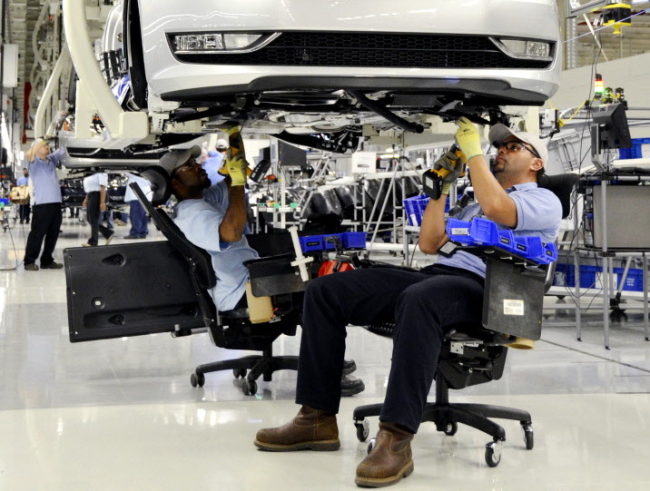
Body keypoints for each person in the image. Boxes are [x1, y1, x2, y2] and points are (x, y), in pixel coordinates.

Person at [254, 118, 563, 488]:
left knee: (421, 298)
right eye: (499, 146)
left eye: (513, 147)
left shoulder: (543, 200)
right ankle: (316, 418)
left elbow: (500, 210)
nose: (501, 151)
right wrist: (441, 189)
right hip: (437, 275)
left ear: (536, 163)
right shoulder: (474, 201)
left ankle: (396, 437)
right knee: (327, 291)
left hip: (488, 288)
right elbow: (431, 243)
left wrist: (475, 153)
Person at [169, 129, 363, 393]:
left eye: (195, 162)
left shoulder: (201, 201)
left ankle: (327, 362)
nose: (198, 166)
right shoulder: (192, 215)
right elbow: (231, 231)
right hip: (242, 292)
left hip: (248, 282)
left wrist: (235, 139)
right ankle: (325, 374)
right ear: (175, 184)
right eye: (188, 167)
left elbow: (232, 182)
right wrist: (236, 180)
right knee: (322, 293)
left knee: (318, 282)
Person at [23, 138, 66, 270]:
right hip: (42, 205)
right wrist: (42, 139)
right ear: (36, 148)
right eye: (43, 145)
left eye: (47, 145)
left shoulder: (51, 160)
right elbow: (29, 154)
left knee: (53, 234)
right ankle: (29, 261)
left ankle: (47, 260)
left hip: (56, 203)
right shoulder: (34, 163)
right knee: (37, 233)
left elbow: (63, 149)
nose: (47, 146)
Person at [81, 171, 114, 247]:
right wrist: (86, 198)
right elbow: (89, 188)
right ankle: (108, 233)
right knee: (89, 219)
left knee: (94, 219)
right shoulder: (89, 173)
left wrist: (102, 202)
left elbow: (103, 187)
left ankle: (93, 242)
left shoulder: (101, 172)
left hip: (98, 195)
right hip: (91, 195)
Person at [123, 173, 152, 239]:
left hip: (137, 197)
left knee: (136, 216)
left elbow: (126, 172)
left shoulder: (134, 176)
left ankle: (135, 233)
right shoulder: (147, 177)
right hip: (145, 196)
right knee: (143, 216)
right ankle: (143, 233)